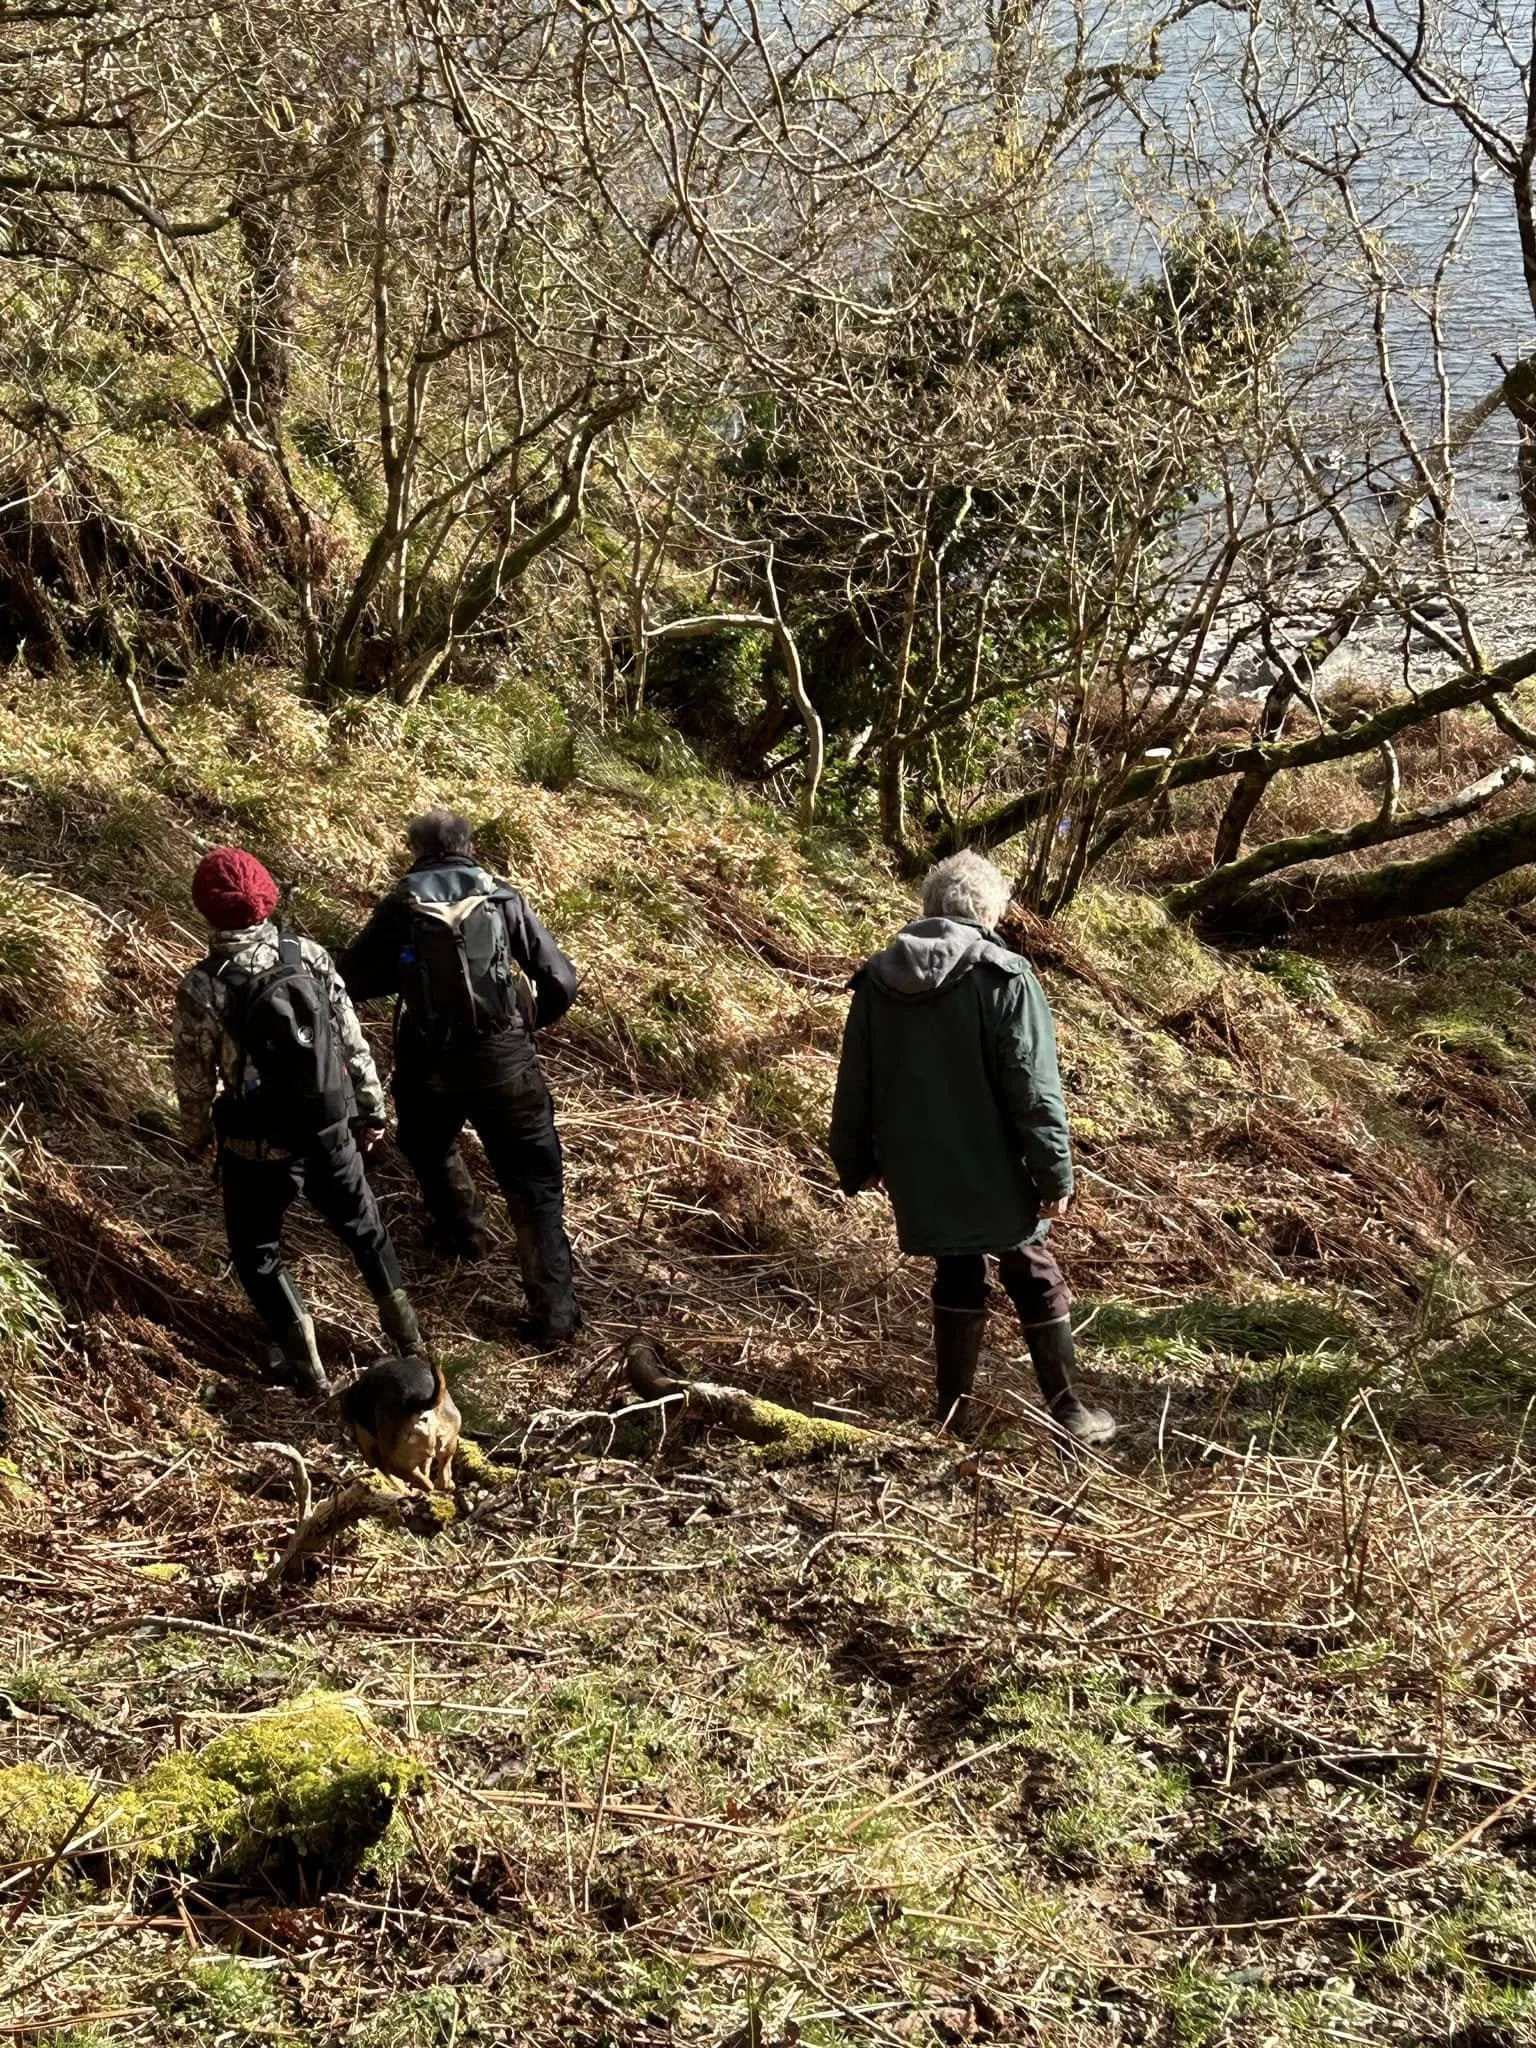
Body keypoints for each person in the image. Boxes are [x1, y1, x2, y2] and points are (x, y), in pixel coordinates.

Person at [829, 849, 1114, 1445]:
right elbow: (1032, 1088)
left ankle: (952, 1415)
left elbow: (856, 1080)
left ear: (929, 906)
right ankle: (1069, 1411)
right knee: (1033, 1271)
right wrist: (1054, 1174)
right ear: (989, 911)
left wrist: (856, 1161)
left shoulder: (877, 980)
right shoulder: (1005, 977)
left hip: (920, 1166)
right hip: (997, 1165)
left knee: (957, 1267)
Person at [174, 846, 421, 1398]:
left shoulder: (203, 986)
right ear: (267, 897)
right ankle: (411, 1344)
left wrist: (197, 1138)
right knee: (366, 1232)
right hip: (330, 1129)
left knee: (257, 1252)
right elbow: (351, 1038)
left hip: (255, 1148)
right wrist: (371, 1108)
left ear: (206, 909)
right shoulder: (307, 955)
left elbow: (193, 1078)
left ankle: (307, 1367)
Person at [338, 810, 581, 1345]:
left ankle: (463, 1234)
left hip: (429, 1065)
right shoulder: (501, 896)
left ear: (416, 850)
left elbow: (353, 979)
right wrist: (526, 1023)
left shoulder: (402, 904)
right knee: (535, 1185)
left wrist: (411, 975)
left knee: (428, 1145)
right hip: (506, 1064)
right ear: (469, 847)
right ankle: (555, 1318)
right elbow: (561, 981)